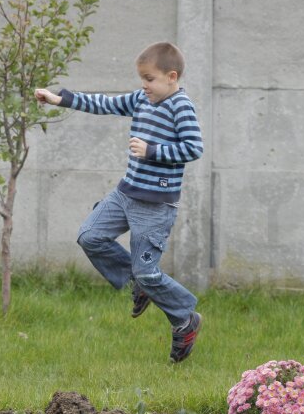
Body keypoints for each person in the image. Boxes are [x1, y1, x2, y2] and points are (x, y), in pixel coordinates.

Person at [35, 41, 204, 362]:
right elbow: (106, 104)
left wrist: (152, 150)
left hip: (155, 205)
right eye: (142, 78)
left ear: (171, 76)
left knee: (147, 271)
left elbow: (194, 148)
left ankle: (184, 318)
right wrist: (61, 99)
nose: (144, 85)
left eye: (150, 79)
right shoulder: (143, 99)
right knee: (91, 237)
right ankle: (139, 284)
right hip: (126, 193)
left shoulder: (181, 106)